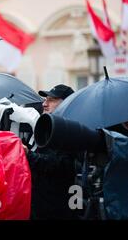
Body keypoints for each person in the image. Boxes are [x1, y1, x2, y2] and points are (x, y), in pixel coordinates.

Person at [26, 84, 78, 220]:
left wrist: (28, 155)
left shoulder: (72, 132)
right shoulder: (46, 128)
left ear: (66, 103)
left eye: (51, 100)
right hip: (38, 209)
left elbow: (62, 165)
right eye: (45, 99)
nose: (44, 104)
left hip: (58, 211)